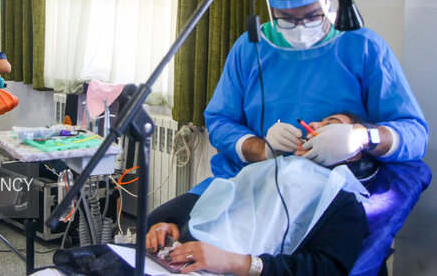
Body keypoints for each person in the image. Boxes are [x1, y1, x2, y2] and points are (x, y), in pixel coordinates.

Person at [198, 0, 428, 194]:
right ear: (271, 7)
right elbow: (220, 121)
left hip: (331, 190)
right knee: (170, 216)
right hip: (252, 184)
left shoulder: (363, 47)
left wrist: (361, 137)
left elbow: (415, 134)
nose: (300, 28)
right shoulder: (250, 47)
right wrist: (261, 148)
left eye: (312, 17)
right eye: (286, 19)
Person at [145, 113, 373, 276]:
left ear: (354, 152)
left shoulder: (344, 204)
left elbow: (324, 268)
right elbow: (217, 206)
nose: (313, 124)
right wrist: (173, 228)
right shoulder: (270, 169)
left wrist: (237, 263)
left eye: (330, 125)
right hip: (187, 259)